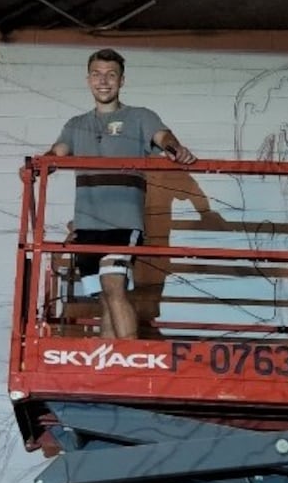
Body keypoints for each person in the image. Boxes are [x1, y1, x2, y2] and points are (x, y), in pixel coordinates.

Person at [47, 48, 196, 340]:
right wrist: (37, 167)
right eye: (97, 74)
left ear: (121, 81)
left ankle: (131, 360)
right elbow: (55, 154)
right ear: (88, 79)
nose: (103, 81)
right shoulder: (76, 124)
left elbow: (163, 137)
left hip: (123, 223)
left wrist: (175, 149)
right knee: (104, 297)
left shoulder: (139, 117)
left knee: (114, 284)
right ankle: (110, 367)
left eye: (111, 75)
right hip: (87, 227)